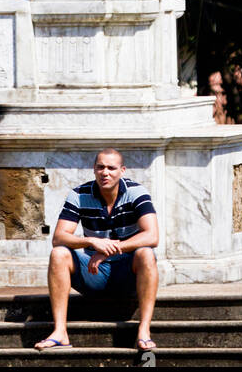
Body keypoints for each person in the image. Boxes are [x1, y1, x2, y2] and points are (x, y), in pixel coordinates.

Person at [34, 148, 158, 353]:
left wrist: (110, 250)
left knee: (146, 253)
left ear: (122, 170)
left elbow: (152, 236)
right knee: (59, 254)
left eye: (111, 168)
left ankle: (144, 331)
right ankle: (60, 332)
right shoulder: (79, 194)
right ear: (94, 169)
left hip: (128, 275)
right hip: (93, 273)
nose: (105, 172)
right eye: (100, 167)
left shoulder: (137, 193)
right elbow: (58, 237)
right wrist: (91, 242)